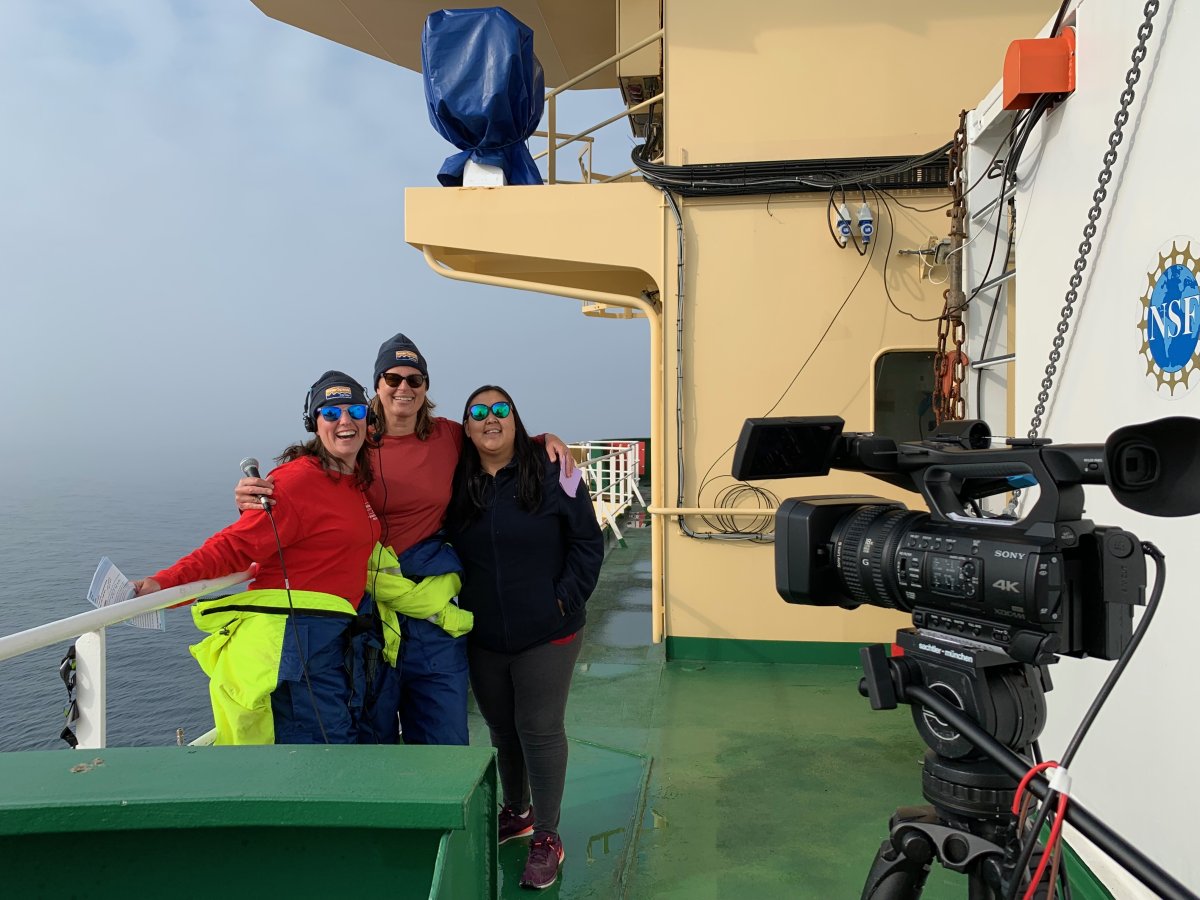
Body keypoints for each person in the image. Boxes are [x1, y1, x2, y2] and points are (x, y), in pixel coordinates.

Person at [234, 333, 574, 746]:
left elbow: (493, 438)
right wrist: (251, 498)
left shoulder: (448, 436)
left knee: (443, 734)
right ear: (376, 386)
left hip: (429, 599)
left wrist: (543, 440)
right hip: (368, 608)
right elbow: (298, 489)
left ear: (426, 388)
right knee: (370, 733)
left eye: (415, 380)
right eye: (393, 378)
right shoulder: (351, 440)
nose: (403, 388)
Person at [134, 371, 380, 745]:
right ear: (314, 424)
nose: (345, 421)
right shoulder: (295, 483)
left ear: (368, 418)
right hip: (298, 642)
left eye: (355, 410)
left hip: (333, 638)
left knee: (339, 740)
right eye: (330, 413)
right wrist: (163, 584)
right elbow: (236, 546)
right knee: (321, 750)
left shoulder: (354, 478)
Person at [447, 385, 603, 890]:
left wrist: (564, 599)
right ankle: (518, 812)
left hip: (548, 630)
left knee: (539, 728)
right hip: (485, 632)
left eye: (501, 410)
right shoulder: (459, 480)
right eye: (478, 412)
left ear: (515, 419)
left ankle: (548, 835)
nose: (490, 419)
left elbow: (586, 540)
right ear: (466, 427)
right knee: (501, 728)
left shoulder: (555, 471)